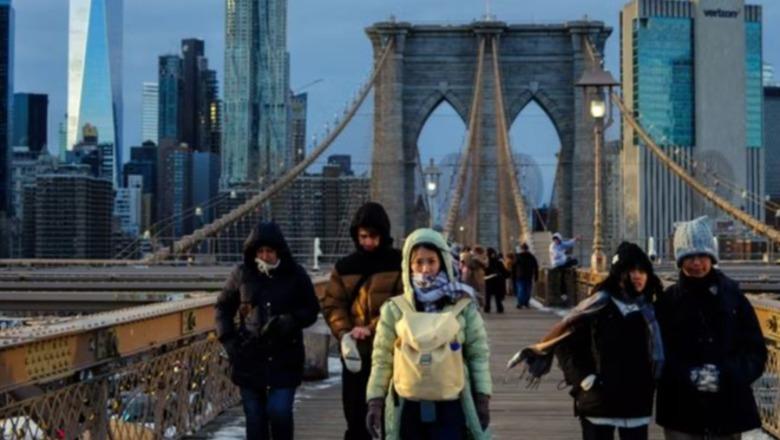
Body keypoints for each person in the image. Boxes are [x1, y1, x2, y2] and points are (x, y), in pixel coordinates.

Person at [365, 228, 492, 439]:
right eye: (418, 262)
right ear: (408, 265)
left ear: (442, 261)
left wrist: (482, 397)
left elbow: (478, 354)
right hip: (407, 405)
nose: (425, 269)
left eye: (431, 261)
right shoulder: (394, 310)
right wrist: (375, 400)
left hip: (452, 403)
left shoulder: (463, 307)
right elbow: (382, 358)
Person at [655, 217, 767, 439]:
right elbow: (657, 354)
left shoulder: (734, 298)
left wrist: (724, 375)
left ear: (712, 257)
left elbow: (756, 352)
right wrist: (689, 375)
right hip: (682, 408)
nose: (696, 263)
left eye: (702, 255)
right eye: (689, 257)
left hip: (727, 406)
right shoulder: (666, 303)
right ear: (679, 260)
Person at [215, 221, 320, 440]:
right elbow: (223, 307)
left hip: (285, 357)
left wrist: (291, 321)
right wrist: (229, 340)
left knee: (279, 411)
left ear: (279, 251)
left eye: (269, 251)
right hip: (249, 357)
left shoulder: (296, 274)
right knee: (255, 418)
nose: (264, 256)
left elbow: (311, 309)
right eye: (260, 251)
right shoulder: (242, 274)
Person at [555, 242, 664, 440]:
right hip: (598, 401)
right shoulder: (597, 306)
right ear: (618, 273)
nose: (637, 276)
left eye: (642, 270)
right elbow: (565, 345)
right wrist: (584, 380)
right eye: (631, 270)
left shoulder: (651, 312)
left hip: (636, 403)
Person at [321, 202, 403, 440]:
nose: (367, 242)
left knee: (391, 415)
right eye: (363, 236)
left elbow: (402, 304)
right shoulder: (345, 267)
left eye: (373, 236)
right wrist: (345, 332)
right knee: (355, 416)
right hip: (355, 353)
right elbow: (332, 304)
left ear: (383, 235)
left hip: (391, 351)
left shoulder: (399, 263)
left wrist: (370, 328)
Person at [512, 243, 539, 309]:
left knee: (522, 290)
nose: (524, 250)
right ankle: (523, 303)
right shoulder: (531, 257)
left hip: (521, 276)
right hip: (526, 276)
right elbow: (536, 267)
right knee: (526, 290)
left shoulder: (518, 257)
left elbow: (513, 267)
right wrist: (536, 276)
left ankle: (521, 303)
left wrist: (513, 276)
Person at [484, 248, 509, 314]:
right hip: (497, 280)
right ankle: (499, 308)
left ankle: (487, 308)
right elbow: (504, 271)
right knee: (497, 295)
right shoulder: (498, 262)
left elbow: (484, 271)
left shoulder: (486, 262)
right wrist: (506, 275)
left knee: (488, 295)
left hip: (488, 280)